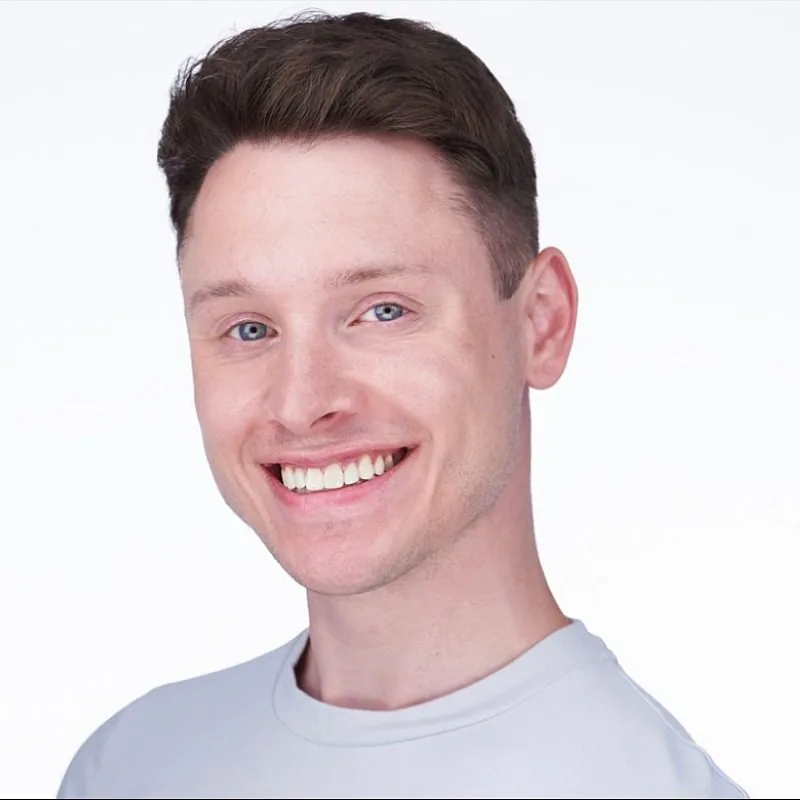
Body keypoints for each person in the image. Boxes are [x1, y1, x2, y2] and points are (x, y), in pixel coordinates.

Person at [57, 11, 748, 799]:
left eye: (383, 311)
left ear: (541, 322)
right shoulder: (131, 768)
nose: (302, 402)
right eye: (249, 328)